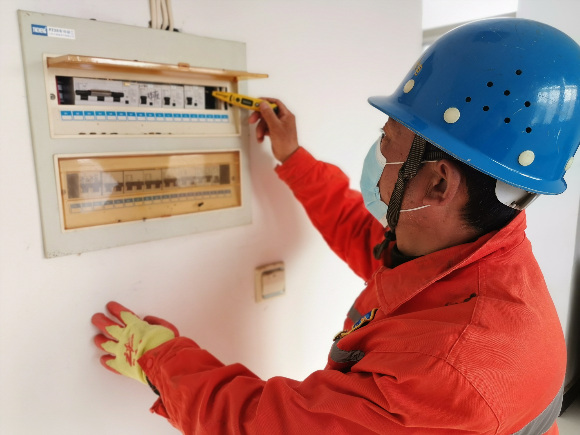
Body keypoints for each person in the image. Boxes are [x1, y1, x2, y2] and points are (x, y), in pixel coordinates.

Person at [92, 18, 580, 434]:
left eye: (387, 142)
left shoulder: (448, 368)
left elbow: (264, 426)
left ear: (437, 183)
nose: (378, 157)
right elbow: (361, 235)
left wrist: (159, 359)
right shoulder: (468, 258)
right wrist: (293, 158)